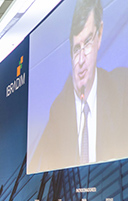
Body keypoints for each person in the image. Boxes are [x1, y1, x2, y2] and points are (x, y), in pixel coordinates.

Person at [29, 0, 128, 172]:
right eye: (76, 49)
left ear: (99, 35)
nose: (81, 60)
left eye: (87, 43)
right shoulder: (58, 111)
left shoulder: (121, 88)